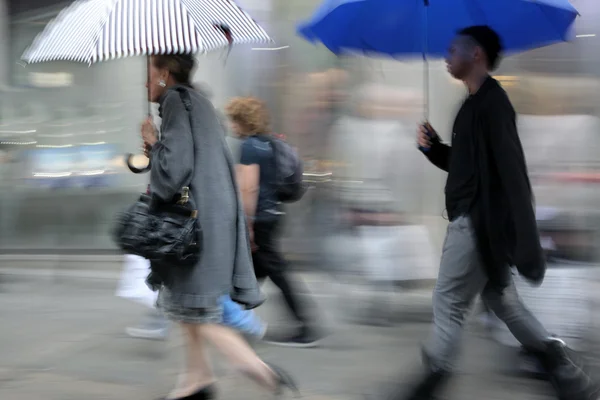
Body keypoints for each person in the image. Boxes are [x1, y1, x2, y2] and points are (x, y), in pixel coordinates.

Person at [379, 26, 599, 400]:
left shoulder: (494, 105)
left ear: (476, 54)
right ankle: (566, 372)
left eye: (453, 50)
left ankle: (431, 380)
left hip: (476, 224)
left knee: (448, 300)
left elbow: (513, 173)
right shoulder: (472, 105)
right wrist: (434, 148)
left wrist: (525, 237)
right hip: (484, 225)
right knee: (504, 303)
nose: (447, 57)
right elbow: (468, 166)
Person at [140, 54, 297, 400]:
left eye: (149, 72)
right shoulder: (196, 101)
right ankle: (196, 380)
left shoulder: (176, 103)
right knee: (187, 307)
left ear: (165, 73)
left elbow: (173, 175)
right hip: (208, 221)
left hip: (194, 228)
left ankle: (263, 373)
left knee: (199, 310)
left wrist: (153, 144)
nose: (145, 81)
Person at [225, 96, 323, 348]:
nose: (231, 125)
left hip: (259, 218)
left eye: (234, 120)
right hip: (274, 215)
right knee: (255, 270)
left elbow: (248, 188)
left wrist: (247, 225)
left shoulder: (249, 147)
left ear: (242, 121)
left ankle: (306, 326)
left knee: (275, 273)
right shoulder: (270, 144)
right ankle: (232, 316)